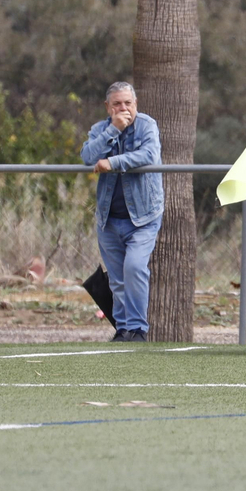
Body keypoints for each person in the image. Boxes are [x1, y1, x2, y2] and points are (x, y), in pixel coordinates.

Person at [81, 82, 164, 343]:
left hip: (143, 217)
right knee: (117, 279)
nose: (123, 108)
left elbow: (149, 155)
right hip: (108, 218)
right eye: (117, 104)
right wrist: (113, 130)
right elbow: (87, 156)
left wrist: (113, 162)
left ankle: (138, 330)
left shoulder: (147, 125)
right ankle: (123, 329)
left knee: (135, 267)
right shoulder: (100, 129)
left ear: (136, 104)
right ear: (108, 107)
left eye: (128, 103)